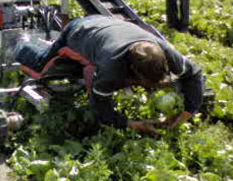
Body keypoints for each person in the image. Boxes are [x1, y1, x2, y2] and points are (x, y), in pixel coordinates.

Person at [14, 15, 205, 135]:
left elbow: (195, 74)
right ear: (132, 71)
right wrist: (132, 124)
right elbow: (100, 107)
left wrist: (187, 113)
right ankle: (20, 42)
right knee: (42, 66)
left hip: (110, 24)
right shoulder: (111, 67)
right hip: (79, 30)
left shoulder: (165, 52)